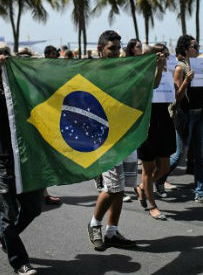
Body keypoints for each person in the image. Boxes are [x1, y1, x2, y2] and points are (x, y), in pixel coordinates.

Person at [0, 41, 44, 275]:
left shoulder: (21, 84)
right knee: (6, 214)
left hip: (28, 158)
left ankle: (3, 231)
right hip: (2, 157)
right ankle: (19, 261)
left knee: (34, 207)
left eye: (1, 56)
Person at [88, 30, 138, 251]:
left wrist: (155, 68)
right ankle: (94, 224)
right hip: (103, 139)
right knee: (113, 187)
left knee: (122, 188)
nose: (117, 53)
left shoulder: (123, 70)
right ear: (100, 50)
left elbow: (151, 87)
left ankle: (112, 231)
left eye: (119, 48)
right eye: (112, 49)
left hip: (125, 135)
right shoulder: (91, 71)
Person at [158, 35, 203, 205]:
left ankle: (200, 193)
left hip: (200, 114)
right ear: (186, 49)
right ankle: (156, 180)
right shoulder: (180, 68)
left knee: (200, 156)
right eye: (194, 46)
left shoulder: (200, 66)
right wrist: (186, 81)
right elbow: (176, 98)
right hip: (185, 116)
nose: (198, 48)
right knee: (178, 155)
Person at [132, 43, 170, 219]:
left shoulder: (164, 68)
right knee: (147, 168)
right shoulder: (137, 72)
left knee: (164, 167)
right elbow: (152, 85)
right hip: (147, 122)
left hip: (163, 118)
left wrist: (161, 66)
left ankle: (142, 188)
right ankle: (153, 205)